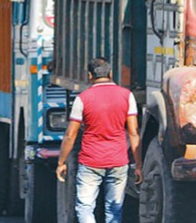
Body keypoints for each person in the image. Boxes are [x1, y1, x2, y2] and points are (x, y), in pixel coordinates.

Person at [57, 57, 143, 223]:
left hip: (90, 162)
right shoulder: (127, 96)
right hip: (118, 161)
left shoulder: (82, 98)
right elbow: (133, 133)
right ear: (110, 74)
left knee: (85, 207)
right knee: (114, 209)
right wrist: (138, 165)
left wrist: (61, 162)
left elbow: (70, 135)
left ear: (90, 76)